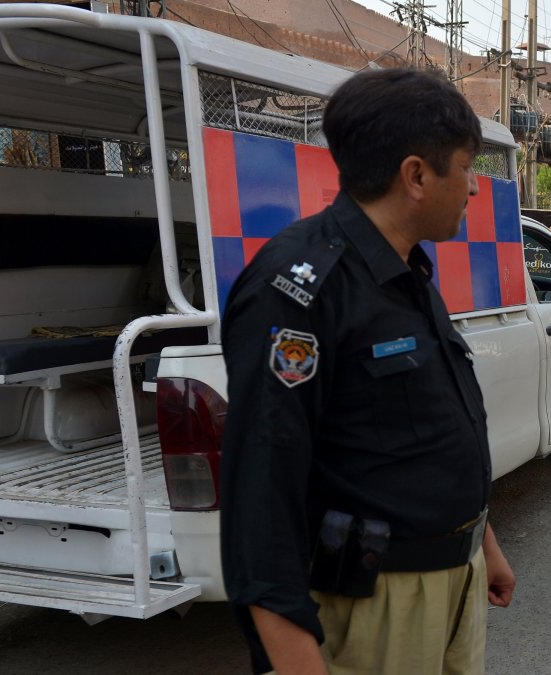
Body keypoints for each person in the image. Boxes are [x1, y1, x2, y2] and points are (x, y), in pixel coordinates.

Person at [219, 68, 515, 675]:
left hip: (451, 583)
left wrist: (481, 541)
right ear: (415, 175)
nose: (475, 189)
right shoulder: (300, 288)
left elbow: (424, 435)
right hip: (375, 606)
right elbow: (260, 499)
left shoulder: (406, 270)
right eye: (465, 167)